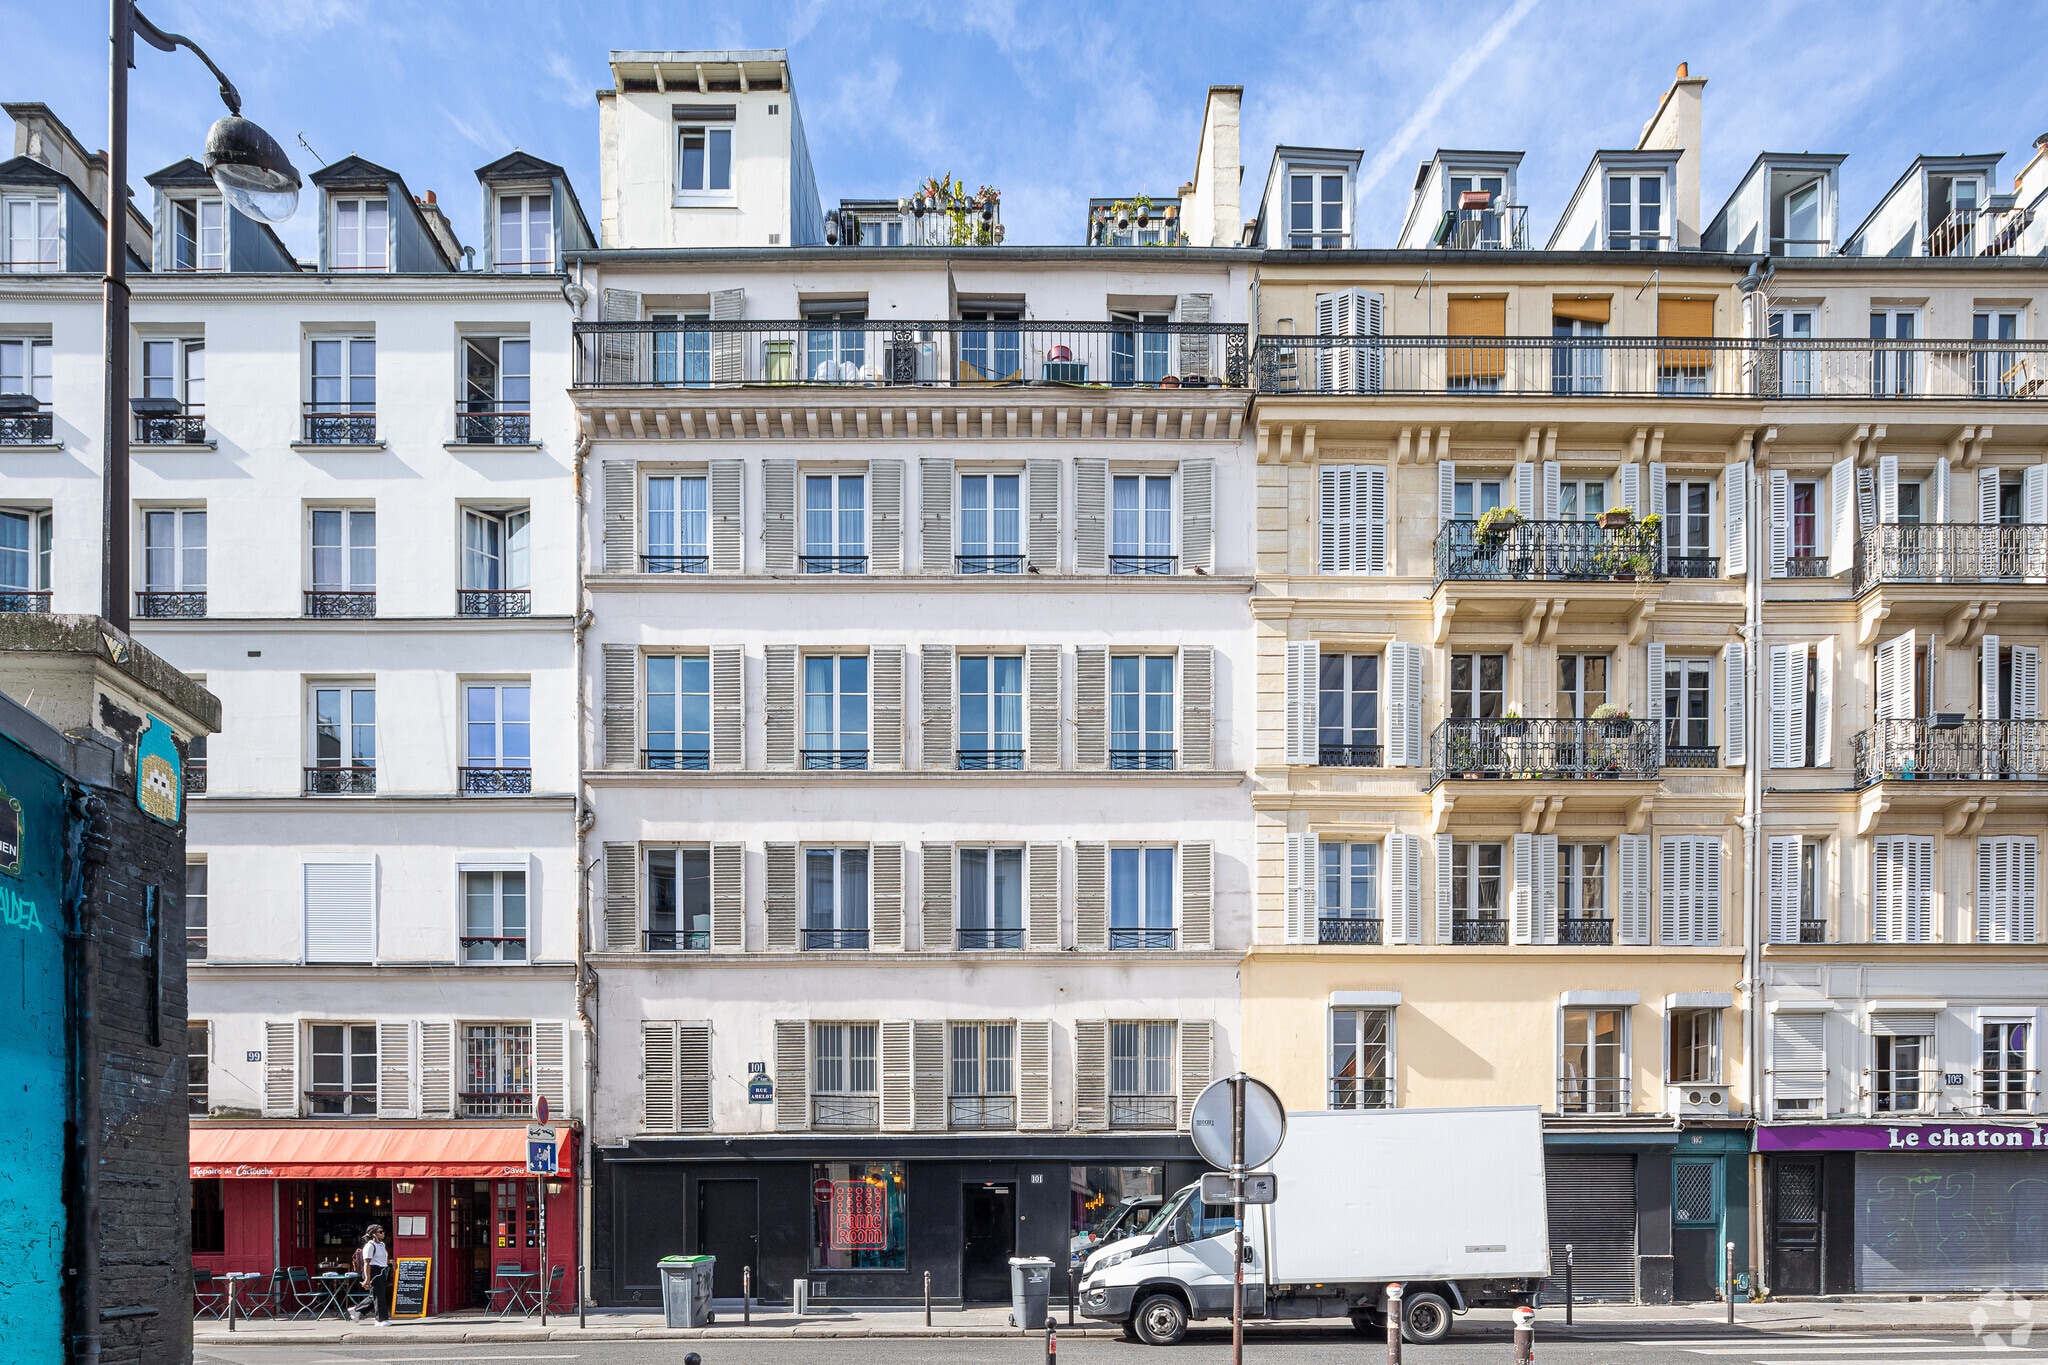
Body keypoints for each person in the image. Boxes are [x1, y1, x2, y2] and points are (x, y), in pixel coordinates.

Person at [360, 1224, 392, 1322]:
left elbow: (381, 1259)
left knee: (378, 1293)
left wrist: (390, 1261)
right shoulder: (369, 1246)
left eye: (383, 1232)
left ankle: (357, 1310)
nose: (383, 1234)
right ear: (374, 1234)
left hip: (382, 1270)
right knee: (379, 1295)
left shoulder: (382, 1244)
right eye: (380, 1232)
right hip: (374, 1270)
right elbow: (367, 1263)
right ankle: (381, 1319)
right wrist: (367, 1278)